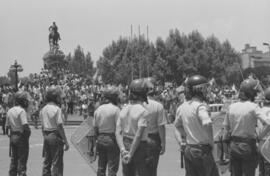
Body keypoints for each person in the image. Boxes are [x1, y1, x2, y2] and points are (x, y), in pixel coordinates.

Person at [223, 79, 270, 176]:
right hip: (248, 145)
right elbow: (268, 123)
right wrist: (259, 137)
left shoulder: (231, 107)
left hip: (233, 145)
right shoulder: (253, 107)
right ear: (251, 93)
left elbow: (225, 129)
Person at [174, 75, 219, 176]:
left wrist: (185, 138)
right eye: (205, 88)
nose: (206, 91)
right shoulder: (200, 106)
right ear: (199, 89)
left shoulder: (182, 107)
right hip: (202, 150)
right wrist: (211, 142)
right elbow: (207, 122)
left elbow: (177, 126)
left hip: (189, 149)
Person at [116, 79, 151, 176]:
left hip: (125, 143)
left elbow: (118, 132)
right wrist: (131, 153)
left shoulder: (123, 109)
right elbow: (138, 134)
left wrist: (122, 149)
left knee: (127, 173)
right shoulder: (143, 111)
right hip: (139, 146)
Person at [40, 87, 69, 176]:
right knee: (57, 162)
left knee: (47, 161)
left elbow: (42, 126)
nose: (60, 99)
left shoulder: (43, 109)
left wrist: (45, 136)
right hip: (55, 135)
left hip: (46, 135)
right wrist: (65, 141)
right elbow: (60, 126)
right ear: (55, 97)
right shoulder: (56, 109)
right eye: (58, 97)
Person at [93, 87, 121, 176]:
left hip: (100, 138)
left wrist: (96, 142)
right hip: (112, 139)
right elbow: (119, 128)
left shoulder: (98, 109)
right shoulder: (116, 109)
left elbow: (95, 128)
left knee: (101, 167)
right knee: (112, 168)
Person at [143, 78, 167, 176]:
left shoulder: (136, 105)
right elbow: (161, 127)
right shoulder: (158, 106)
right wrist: (163, 144)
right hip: (153, 139)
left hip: (138, 139)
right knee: (151, 171)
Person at [5, 91, 31, 176]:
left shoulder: (10, 111)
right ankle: (22, 174)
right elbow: (25, 125)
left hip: (13, 136)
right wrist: (27, 134)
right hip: (21, 136)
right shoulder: (21, 111)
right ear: (22, 101)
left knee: (14, 159)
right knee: (22, 160)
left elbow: (7, 126)